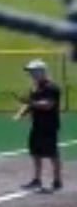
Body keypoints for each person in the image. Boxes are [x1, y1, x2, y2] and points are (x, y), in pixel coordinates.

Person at [16, 58, 63, 193]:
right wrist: (21, 113)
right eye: (31, 72)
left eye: (34, 71)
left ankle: (57, 180)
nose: (31, 74)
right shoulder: (35, 88)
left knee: (52, 153)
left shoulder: (52, 88)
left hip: (49, 125)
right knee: (35, 153)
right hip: (37, 124)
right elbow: (31, 104)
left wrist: (30, 103)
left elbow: (48, 105)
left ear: (42, 71)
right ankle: (37, 179)